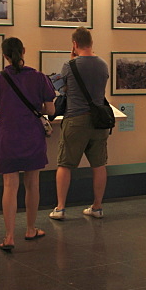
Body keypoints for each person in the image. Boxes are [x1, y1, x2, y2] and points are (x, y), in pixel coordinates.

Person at [0, 37, 56, 251]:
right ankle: (31, 228)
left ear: (4, 55)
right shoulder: (39, 77)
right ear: (23, 51)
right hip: (32, 135)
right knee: (32, 184)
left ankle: (8, 236)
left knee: (9, 185)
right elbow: (50, 110)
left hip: (7, 136)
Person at [49, 27, 110, 220]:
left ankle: (60, 208)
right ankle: (97, 206)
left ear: (74, 44)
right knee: (99, 164)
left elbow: (64, 89)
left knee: (65, 164)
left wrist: (72, 59)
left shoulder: (70, 65)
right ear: (91, 43)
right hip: (99, 121)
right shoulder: (102, 64)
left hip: (75, 119)